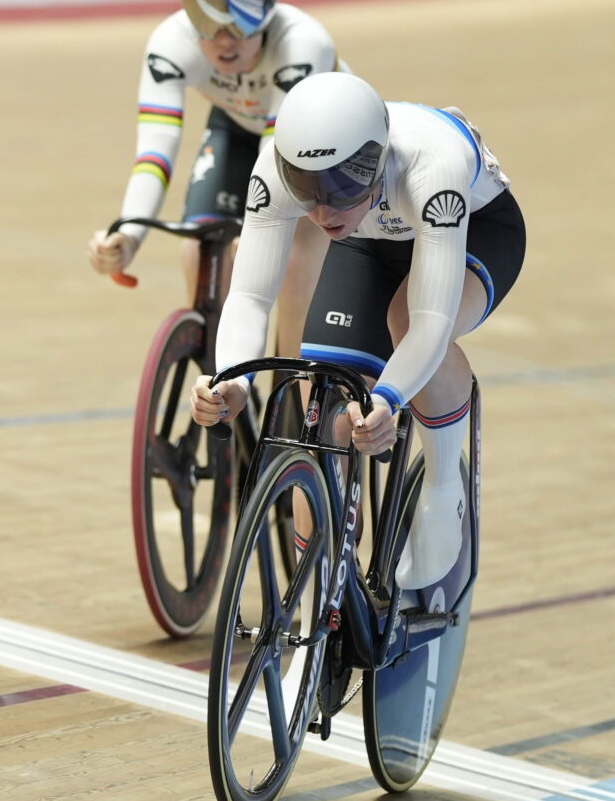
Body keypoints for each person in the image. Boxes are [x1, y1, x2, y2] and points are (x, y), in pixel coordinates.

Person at [190, 71, 527, 591]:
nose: (322, 210)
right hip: (367, 235)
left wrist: (390, 399)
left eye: (340, 187)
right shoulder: (281, 173)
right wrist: (232, 381)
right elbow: (251, 296)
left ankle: (441, 487)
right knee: (322, 414)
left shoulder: (431, 166)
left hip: (475, 228)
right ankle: (313, 614)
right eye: (307, 190)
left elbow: (430, 324)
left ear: (375, 159)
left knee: (404, 320)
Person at [88, 0, 342, 372]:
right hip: (239, 126)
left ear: (269, 8)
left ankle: (294, 410)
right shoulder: (171, 43)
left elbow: (277, 154)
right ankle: (222, 386)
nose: (225, 39)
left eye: (244, 17)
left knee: (294, 271)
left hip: (315, 143)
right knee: (198, 250)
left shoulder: (302, 43)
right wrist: (129, 235)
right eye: (206, 18)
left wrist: (260, 232)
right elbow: (155, 150)